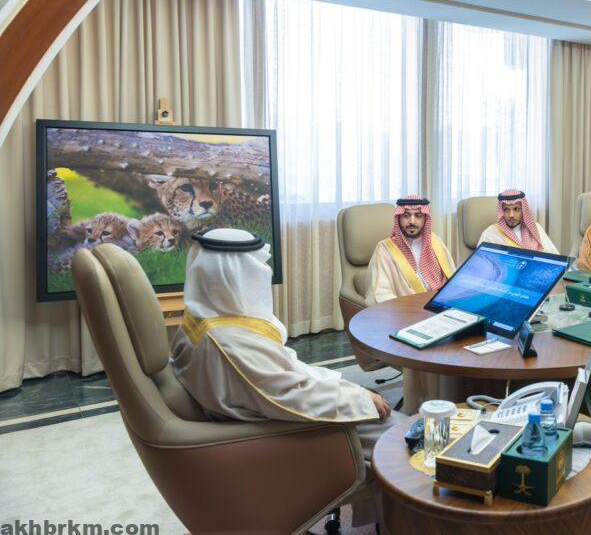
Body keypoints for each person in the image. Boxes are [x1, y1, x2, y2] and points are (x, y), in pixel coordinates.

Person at [170, 229, 398, 525]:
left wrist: (344, 386)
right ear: (231, 275)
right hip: (290, 435)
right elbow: (293, 397)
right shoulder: (227, 343)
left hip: (270, 420)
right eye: (254, 269)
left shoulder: (201, 319)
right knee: (406, 439)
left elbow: (281, 377)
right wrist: (362, 400)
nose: (261, 276)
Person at [365, 196, 456, 410]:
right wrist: (413, 313)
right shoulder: (385, 249)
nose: (412, 221)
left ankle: (457, 401)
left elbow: (453, 282)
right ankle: (425, 406)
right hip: (405, 320)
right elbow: (380, 295)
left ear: (425, 219)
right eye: (406, 216)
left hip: (440, 315)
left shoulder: (436, 243)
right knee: (428, 349)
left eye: (418, 216)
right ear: (398, 218)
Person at [477, 189, 558, 253]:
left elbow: (553, 256)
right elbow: (481, 261)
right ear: (501, 211)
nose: (511, 215)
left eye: (516, 209)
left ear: (523, 210)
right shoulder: (490, 233)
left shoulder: (536, 228)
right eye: (506, 210)